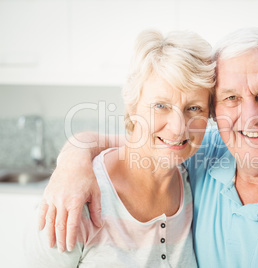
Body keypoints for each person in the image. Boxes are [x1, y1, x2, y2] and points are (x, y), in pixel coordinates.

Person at [38, 28, 258, 267]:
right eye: (232, 98)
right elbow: (147, 146)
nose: (251, 117)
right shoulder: (207, 157)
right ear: (218, 113)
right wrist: (74, 157)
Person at [24, 29, 215, 267]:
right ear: (133, 106)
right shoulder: (79, 198)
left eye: (194, 108)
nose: (178, 128)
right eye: (161, 105)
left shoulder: (195, 180)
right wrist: (72, 159)